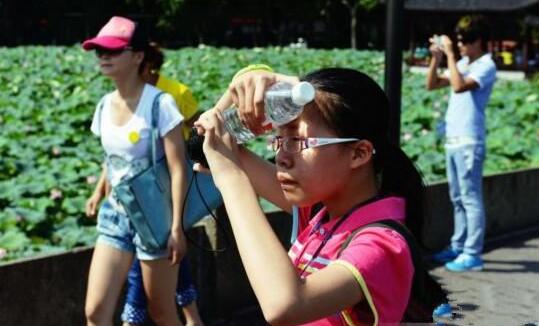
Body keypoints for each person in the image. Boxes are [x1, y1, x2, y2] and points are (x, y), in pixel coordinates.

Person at [194, 67, 445, 324]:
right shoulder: (319, 212)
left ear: (358, 153)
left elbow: (286, 305)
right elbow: (204, 143)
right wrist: (244, 83)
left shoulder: (381, 244)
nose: (281, 157)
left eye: (297, 141)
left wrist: (232, 179)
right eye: (279, 140)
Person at [85, 40, 204, 325]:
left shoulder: (166, 100)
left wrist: (177, 226)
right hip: (117, 212)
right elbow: (113, 158)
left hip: (155, 212)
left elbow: (182, 160)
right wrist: (98, 191)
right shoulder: (105, 105)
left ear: (140, 58)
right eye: (100, 51)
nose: (104, 57)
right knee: (95, 311)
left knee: (161, 310)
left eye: (113, 51)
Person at [426, 15, 496, 272]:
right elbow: (432, 84)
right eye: (458, 41)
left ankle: (472, 253)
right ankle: (457, 246)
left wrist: (451, 56)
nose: (461, 45)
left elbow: (457, 86)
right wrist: (437, 58)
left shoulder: (486, 66)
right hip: (453, 139)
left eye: (465, 41)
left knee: (470, 198)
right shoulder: (464, 62)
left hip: (470, 140)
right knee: (457, 197)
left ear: (479, 41)